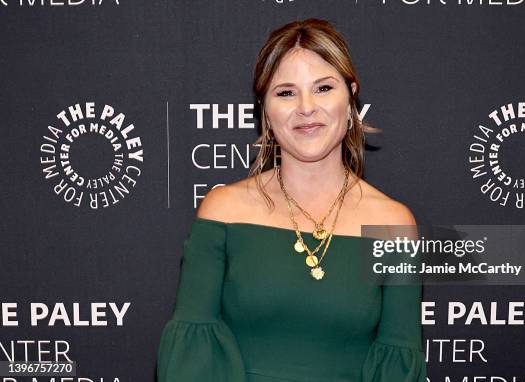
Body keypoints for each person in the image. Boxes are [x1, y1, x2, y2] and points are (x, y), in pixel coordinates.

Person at [156, 18, 426, 382]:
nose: (306, 107)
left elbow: (398, 361)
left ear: (351, 97)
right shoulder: (224, 211)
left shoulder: (393, 224)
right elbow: (191, 361)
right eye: (286, 92)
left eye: (324, 88)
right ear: (265, 108)